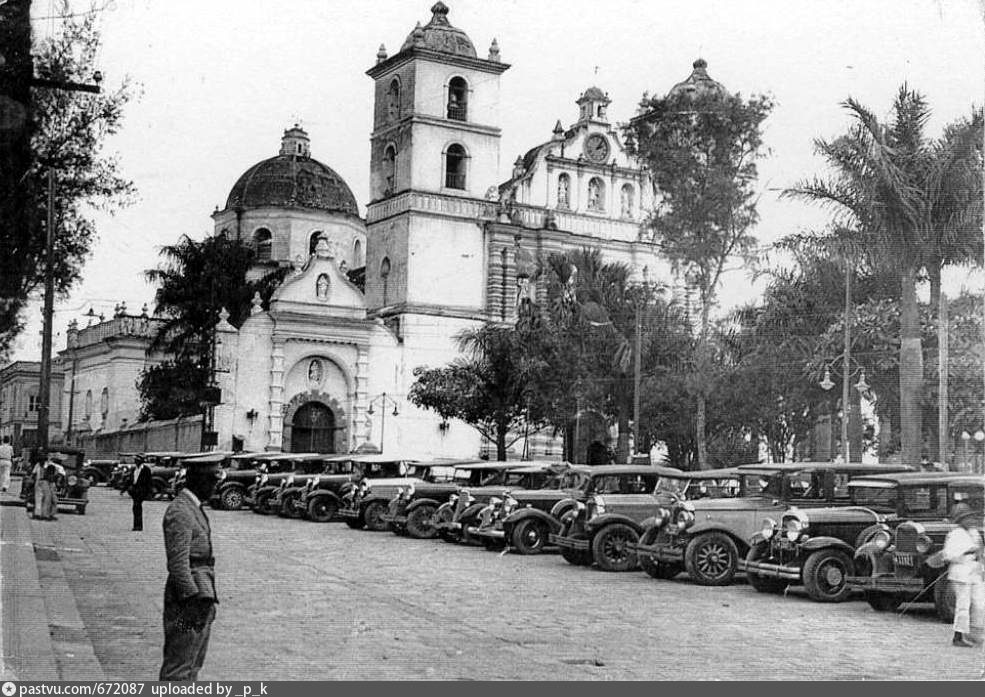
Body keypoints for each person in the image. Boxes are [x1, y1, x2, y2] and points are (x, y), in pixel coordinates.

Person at [159, 457, 222, 681]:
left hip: (200, 598)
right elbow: (178, 564)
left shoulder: (192, 507)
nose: (215, 487)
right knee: (179, 664)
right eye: (212, 481)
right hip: (187, 603)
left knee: (193, 662)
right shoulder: (181, 511)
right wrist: (192, 600)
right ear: (198, 480)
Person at [942, 502, 984, 647]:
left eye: (970, 518)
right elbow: (948, 555)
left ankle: (975, 634)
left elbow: (981, 551)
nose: (970, 521)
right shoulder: (955, 535)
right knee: (963, 605)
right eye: (966, 518)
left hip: (975, 572)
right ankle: (958, 635)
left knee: (979, 603)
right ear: (960, 520)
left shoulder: (974, 533)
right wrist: (967, 551)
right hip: (960, 573)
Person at [129, 456, 153, 531]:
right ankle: (136, 525)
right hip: (134, 491)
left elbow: (149, 482)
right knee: (135, 508)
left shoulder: (146, 470)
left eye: (137, 460)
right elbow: (130, 480)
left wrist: (149, 492)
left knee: (137, 506)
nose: (135, 462)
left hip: (142, 491)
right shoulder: (134, 469)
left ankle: (139, 526)